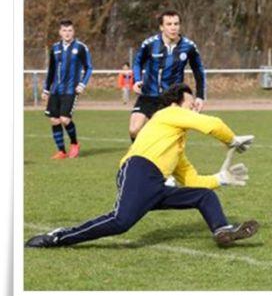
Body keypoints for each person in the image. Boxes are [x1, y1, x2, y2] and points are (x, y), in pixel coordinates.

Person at [25, 84, 258, 248]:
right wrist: (231, 140)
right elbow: (212, 124)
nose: (195, 107)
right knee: (120, 222)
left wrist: (220, 178)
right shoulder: (169, 113)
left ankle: (222, 230)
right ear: (175, 104)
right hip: (139, 171)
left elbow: (191, 180)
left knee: (203, 196)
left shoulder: (175, 145)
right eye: (190, 103)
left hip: (153, 183)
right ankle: (58, 237)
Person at [130, 10, 207, 142]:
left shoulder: (188, 46)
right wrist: (137, 80)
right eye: (169, 24)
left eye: (176, 24)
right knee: (134, 130)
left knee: (165, 135)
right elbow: (137, 63)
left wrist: (200, 96)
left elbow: (198, 71)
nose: (173, 27)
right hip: (148, 95)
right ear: (161, 27)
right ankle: (138, 150)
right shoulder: (150, 44)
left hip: (172, 99)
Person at [43, 19, 93, 159]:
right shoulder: (55, 48)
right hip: (56, 90)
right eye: (64, 30)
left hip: (71, 90)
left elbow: (89, 67)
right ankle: (61, 151)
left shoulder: (81, 47)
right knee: (54, 120)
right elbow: (51, 70)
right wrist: (46, 89)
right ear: (60, 32)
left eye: (70, 30)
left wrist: (82, 84)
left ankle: (75, 143)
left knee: (65, 119)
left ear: (74, 32)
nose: (67, 33)